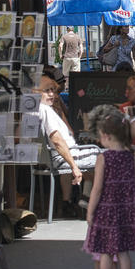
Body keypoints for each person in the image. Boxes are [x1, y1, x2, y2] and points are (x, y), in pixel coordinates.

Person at [83, 106, 135, 269]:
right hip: (127, 209)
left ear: (107, 135)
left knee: (105, 253)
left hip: (107, 210)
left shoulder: (104, 158)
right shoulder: (129, 156)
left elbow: (97, 188)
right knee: (124, 252)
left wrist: (90, 211)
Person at [38, 74, 100, 217]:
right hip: (64, 155)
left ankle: (86, 200)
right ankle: (100, 206)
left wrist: (59, 110)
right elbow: (57, 140)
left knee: (101, 158)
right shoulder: (44, 109)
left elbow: (68, 134)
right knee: (106, 160)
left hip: (64, 153)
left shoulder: (45, 109)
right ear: (36, 92)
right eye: (47, 90)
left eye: (53, 90)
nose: (52, 94)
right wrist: (74, 167)